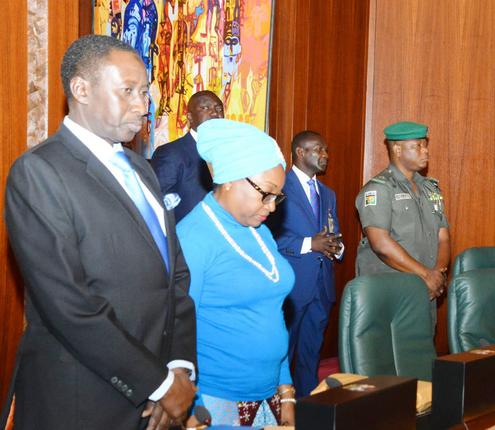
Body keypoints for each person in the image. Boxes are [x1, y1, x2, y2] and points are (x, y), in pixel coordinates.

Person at [3, 35, 196, 430]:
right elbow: (68, 304)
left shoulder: (142, 169)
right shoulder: (39, 172)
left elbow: (173, 277)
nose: (143, 105)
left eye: (144, 92)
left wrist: (178, 368)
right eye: (128, 91)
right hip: (82, 401)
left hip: (153, 398)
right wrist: (158, 384)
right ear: (82, 89)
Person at [177, 118, 296, 427]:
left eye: (277, 197)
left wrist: (286, 392)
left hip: (270, 397)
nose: (271, 207)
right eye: (265, 193)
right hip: (218, 404)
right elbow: (176, 330)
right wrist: (194, 411)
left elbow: (272, 311)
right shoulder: (194, 238)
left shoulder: (259, 230)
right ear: (229, 178)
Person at [268, 130, 343, 397]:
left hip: (321, 286)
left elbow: (333, 231)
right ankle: (280, 409)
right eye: (319, 150)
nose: (325, 156)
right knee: (283, 353)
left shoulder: (327, 193)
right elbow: (270, 238)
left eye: (326, 151)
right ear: (300, 152)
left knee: (311, 352)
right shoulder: (279, 187)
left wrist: (337, 247)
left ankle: (308, 408)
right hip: (292, 287)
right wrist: (309, 244)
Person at [355, 121, 450, 300]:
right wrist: (426, 275)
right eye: (418, 146)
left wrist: (437, 275)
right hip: (389, 292)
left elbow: (443, 237)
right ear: (398, 150)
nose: (425, 150)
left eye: (425, 145)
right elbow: (381, 244)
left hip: (427, 288)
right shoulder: (378, 189)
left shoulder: (430, 188)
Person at [151, 90, 224, 222]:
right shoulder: (170, 153)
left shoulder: (229, 153)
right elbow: (160, 208)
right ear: (190, 117)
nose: (214, 113)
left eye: (218, 108)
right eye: (205, 108)